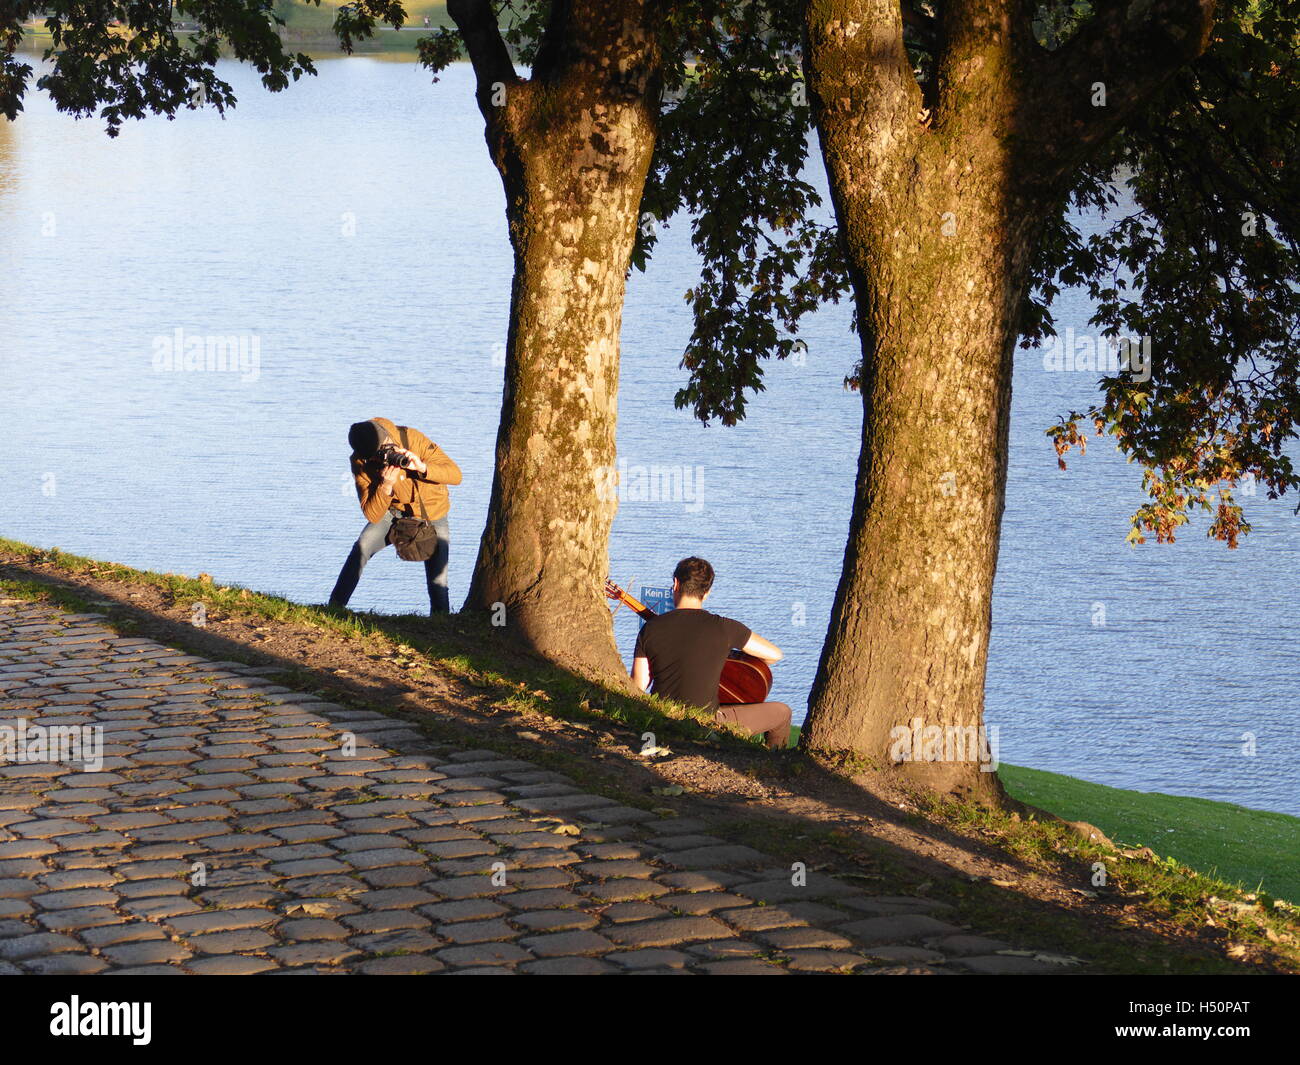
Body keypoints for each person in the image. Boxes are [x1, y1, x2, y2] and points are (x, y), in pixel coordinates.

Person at [631, 557, 792, 749]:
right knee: (783, 712)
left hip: (663, 719)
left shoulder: (650, 629)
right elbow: (775, 655)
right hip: (707, 722)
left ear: (675, 584)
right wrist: (728, 657)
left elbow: (638, 686)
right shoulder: (725, 628)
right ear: (707, 593)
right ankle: (771, 765)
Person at [329, 417, 462, 615]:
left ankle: (441, 622)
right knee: (362, 547)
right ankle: (333, 608)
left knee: (438, 578)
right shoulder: (360, 460)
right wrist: (385, 486)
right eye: (378, 455)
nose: (385, 456)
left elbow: (455, 476)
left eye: (386, 448)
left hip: (432, 514)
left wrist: (422, 467)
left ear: (387, 436)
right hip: (392, 513)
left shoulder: (411, 438)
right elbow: (372, 515)